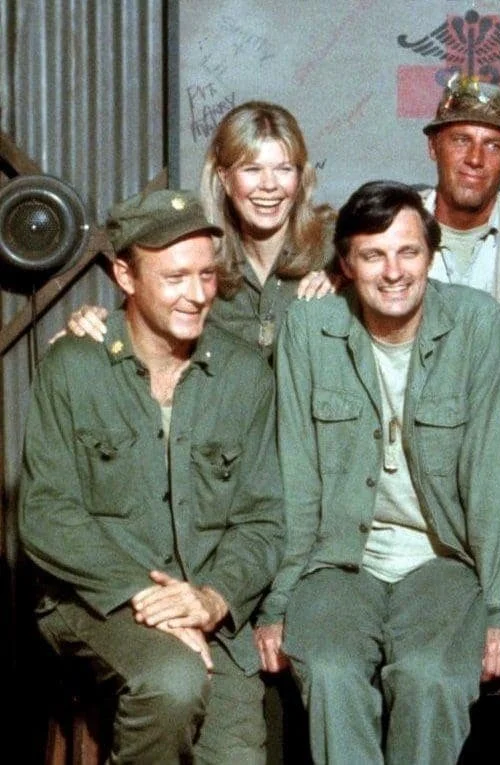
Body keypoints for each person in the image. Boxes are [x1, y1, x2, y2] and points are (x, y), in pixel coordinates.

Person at [19, 189, 284, 763]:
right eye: (175, 277)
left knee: (237, 753)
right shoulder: (74, 366)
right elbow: (46, 513)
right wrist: (144, 597)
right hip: (96, 601)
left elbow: (262, 520)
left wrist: (214, 598)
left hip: (206, 609)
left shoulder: (244, 375)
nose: (197, 294)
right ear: (125, 276)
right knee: (172, 680)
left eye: (206, 275)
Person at [256, 181, 500, 764]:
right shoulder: (310, 328)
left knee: (430, 676)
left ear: (431, 255)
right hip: (337, 560)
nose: (393, 272)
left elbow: (489, 477)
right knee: (330, 670)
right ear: (346, 264)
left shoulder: (476, 323)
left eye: (408, 252)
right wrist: (278, 604)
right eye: (373, 255)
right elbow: (297, 478)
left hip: (445, 560)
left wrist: (499, 611)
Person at [64, 101, 336, 360]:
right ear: (225, 178)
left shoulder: (336, 248)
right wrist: (91, 323)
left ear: (300, 177)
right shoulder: (197, 252)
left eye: (284, 169)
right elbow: (141, 326)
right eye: (252, 169)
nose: (269, 185)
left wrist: (347, 282)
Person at [422, 74, 500, 300]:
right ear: (433, 146)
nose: (475, 159)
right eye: (461, 140)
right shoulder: (388, 227)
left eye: (493, 146)